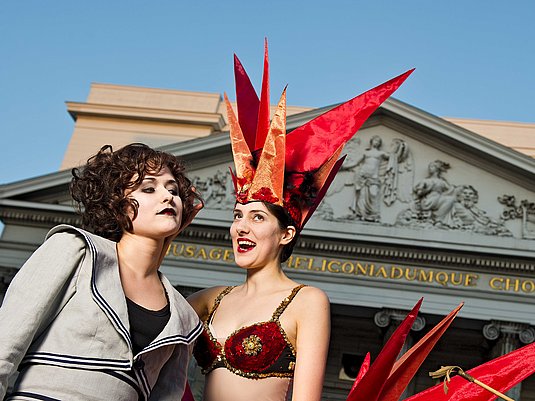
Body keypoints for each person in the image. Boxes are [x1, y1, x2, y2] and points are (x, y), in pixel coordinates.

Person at [187, 42, 413, 401]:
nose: (240, 227)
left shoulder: (307, 301)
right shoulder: (206, 300)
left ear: (286, 233)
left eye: (257, 217)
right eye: (237, 216)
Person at [0, 143, 203, 400]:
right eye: (149, 188)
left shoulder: (183, 315)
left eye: (172, 190)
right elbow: (4, 345)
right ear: (116, 203)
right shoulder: (75, 250)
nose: (167, 196)